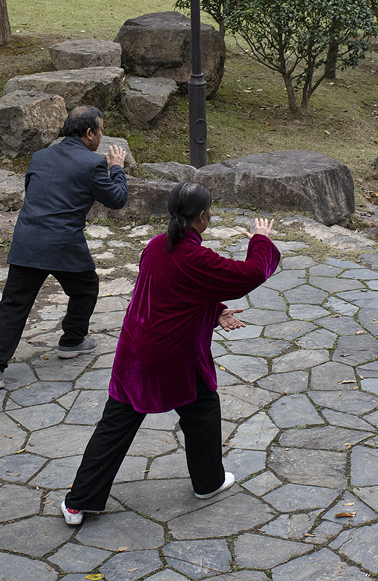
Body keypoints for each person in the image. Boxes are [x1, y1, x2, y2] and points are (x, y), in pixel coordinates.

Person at [61, 182, 280, 524]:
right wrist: (261, 240)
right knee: (203, 410)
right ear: (203, 217)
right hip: (175, 356)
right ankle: (207, 481)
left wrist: (215, 310)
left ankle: (78, 502)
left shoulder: (155, 246)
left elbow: (171, 291)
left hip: (134, 353)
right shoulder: (197, 258)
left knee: (117, 424)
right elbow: (251, 274)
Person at [0, 105, 128, 390]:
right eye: (101, 130)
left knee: (14, 305)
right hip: (63, 243)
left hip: (28, 239)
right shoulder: (92, 164)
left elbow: (33, 191)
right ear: (89, 133)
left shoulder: (40, 156)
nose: (102, 136)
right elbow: (117, 199)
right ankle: (72, 340)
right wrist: (117, 168)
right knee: (85, 289)